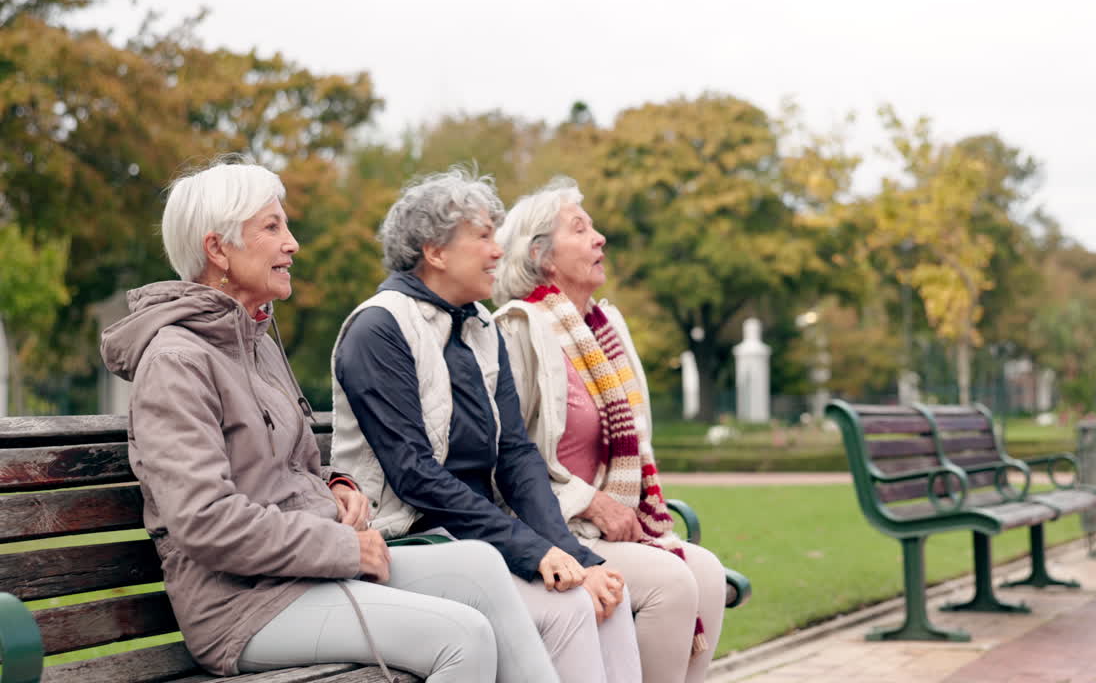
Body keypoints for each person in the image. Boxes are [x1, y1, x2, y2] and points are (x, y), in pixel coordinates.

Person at [101, 159, 559, 682]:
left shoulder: (256, 343)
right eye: (272, 227)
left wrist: (335, 489)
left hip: (303, 574)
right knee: (462, 637)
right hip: (243, 608)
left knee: (480, 565)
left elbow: (282, 471)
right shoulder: (176, 362)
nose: (292, 243)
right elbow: (206, 521)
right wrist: (343, 547)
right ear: (217, 249)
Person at [330, 166, 642, 683]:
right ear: (435, 251)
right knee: (567, 609)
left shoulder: (477, 327)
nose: (498, 250)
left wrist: (572, 553)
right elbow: (414, 476)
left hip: (477, 538)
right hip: (408, 542)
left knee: (606, 589)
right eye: (482, 236)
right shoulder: (379, 329)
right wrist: (532, 550)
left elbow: (517, 456)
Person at [492, 177, 727, 683]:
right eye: (581, 229)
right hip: (553, 531)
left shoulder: (606, 330)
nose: (599, 238)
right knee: (672, 582)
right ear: (543, 256)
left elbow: (637, 446)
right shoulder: (517, 330)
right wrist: (589, 502)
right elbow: (508, 459)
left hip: (612, 528)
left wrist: (620, 509)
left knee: (706, 570)